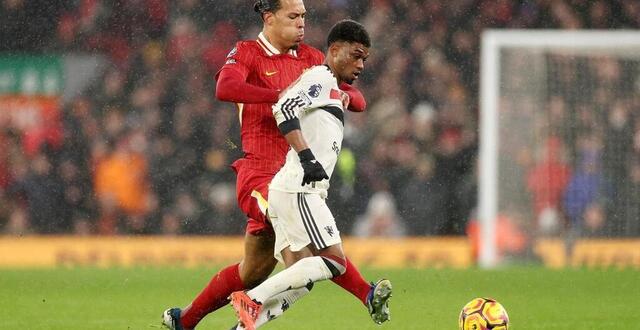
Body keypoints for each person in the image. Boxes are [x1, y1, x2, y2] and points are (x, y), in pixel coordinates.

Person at [162, 1, 389, 329]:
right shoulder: (247, 52)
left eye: (304, 17)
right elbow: (225, 87)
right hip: (260, 174)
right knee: (307, 259)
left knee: (252, 272)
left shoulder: (312, 58)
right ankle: (366, 293)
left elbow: (358, 98)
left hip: (295, 175)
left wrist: (342, 97)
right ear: (269, 18)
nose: (301, 24)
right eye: (293, 16)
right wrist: (283, 95)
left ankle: (184, 320)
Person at [230, 19, 390, 330]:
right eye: (356, 56)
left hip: (299, 189)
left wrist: (340, 96)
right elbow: (284, 110)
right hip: (299, 189)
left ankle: (243, 325)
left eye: (364, 60)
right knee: (333, 262)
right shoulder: (318, 77)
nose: (360, 65)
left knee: (303, 278)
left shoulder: (328, 84)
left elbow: (351, 101)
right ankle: (252, 298)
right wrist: (307, 158)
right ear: (334, 50)